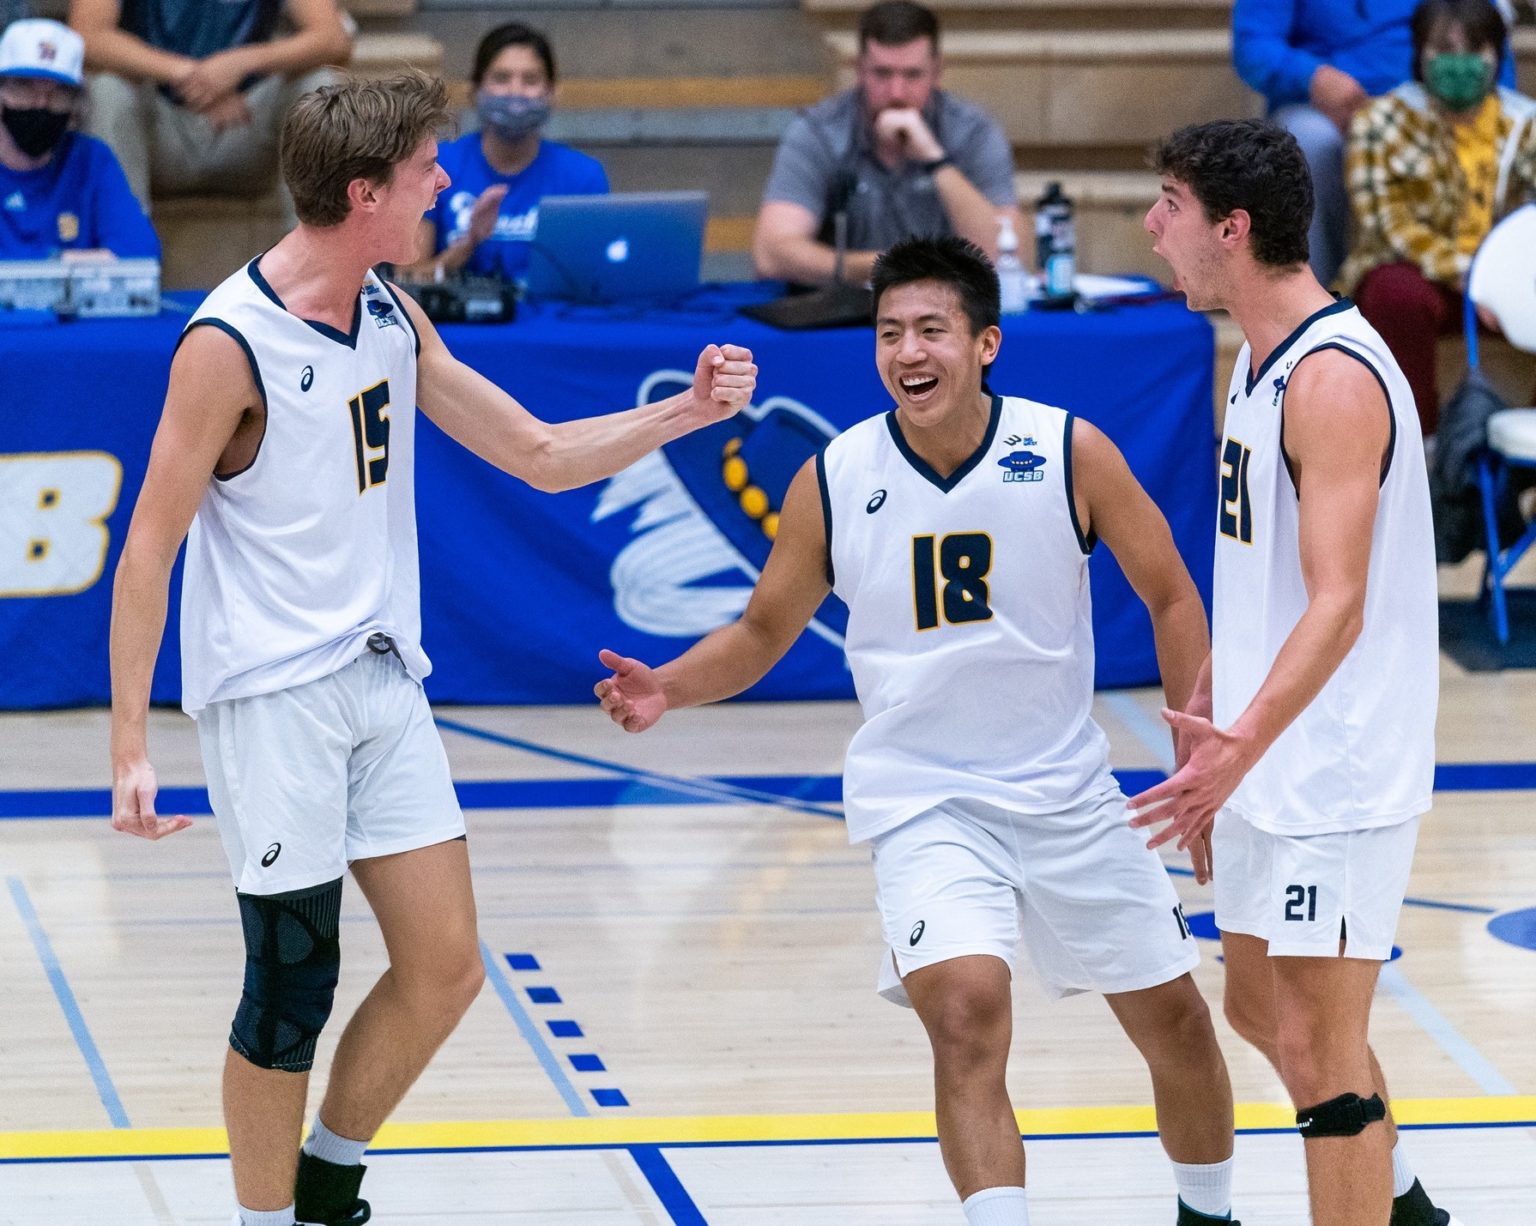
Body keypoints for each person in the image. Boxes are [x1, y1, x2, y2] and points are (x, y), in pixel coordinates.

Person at [107, 71, 755, 1226]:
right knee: (291, 983)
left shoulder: (395, 313)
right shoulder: (228, 343)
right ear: (366, 192)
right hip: (273, 698)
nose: (444, 184)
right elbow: (148, 545)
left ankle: (326, 1181)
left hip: (382, 677)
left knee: (447, 964)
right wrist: (128, 747)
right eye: (423, 172)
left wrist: (683, 415)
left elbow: (542, 451)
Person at [596, 235, 1240, 1226]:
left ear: (985, 342)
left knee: (1180, 1025)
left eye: (931, 328)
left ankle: (1211, 1210)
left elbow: (1171, 592)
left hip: (1067, 789)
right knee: (967, 1013)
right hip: (924, 799)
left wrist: (1195, 743)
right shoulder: (835, 473)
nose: (908, 350)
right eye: (890, 331)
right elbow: (765, 629)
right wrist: (668, 689)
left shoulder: (1069, 449)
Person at [1141, 118, 1453, 1226]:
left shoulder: (1329, 378)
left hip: (1335, 768)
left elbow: (1337, 600)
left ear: (1231, 228)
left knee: (1319, 1054)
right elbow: (1259, 582)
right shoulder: (1254, 360)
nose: (1151, 225)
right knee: (1258, 1006)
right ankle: (1408, 1203)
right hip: (1267, 748)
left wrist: (1241, 744)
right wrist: (1213, 716)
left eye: (1169, 205)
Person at [1342, 0, 1536, 436]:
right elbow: (1387, 225)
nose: (1458, 64)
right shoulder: (1381, 122)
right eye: (1444, 50)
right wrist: (1471, 275)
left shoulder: (1526, 125)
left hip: (1506, 287)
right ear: (1419, 54)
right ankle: (1417, 443)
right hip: (1424, 276)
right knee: (1393, 291)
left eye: (1472, 51)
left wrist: (1504, 282)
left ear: (1496, 55)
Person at [1231, 0, 1515, 288]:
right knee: (1307, 143)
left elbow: (1487, 35)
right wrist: (1312, 77)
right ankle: (1314, 309)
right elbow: (1253, 46)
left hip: (1436, 105)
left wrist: (1494, 116)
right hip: (1324, 111)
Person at [752, 1, 1020, 289]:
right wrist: (892, 265)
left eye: (912, 75)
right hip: (844, 313)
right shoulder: (819, 133)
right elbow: (771, 254)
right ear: (859, 70)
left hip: (946, 313)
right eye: (882, 73)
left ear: (937, 71)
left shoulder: (973, 133)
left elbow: (1008, 253)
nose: (896, 92)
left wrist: (935, 161)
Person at [68, 0, 352, 215]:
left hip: (244, 124)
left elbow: (333, 39)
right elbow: (86, 36)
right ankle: (126, 261)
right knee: (107, 89)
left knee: (319, 85)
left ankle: (323, 266)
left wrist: (242, 63)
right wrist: (189, 75)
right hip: (159, 131)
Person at [400, 21, 606, 284]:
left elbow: (597, 280)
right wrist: (469, 243)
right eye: (501, 78)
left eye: (530, 80)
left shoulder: (583, 177)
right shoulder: (435, 167)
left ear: (552, 92)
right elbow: (404, 280)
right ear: (474, 91)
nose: (515, 92)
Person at [0, 17, 157, 259]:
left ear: (76, 105)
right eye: (24, 87)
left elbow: (141, 253)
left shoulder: (91, 159)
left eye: (57, 93)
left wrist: (53, 264)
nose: (41, 104)